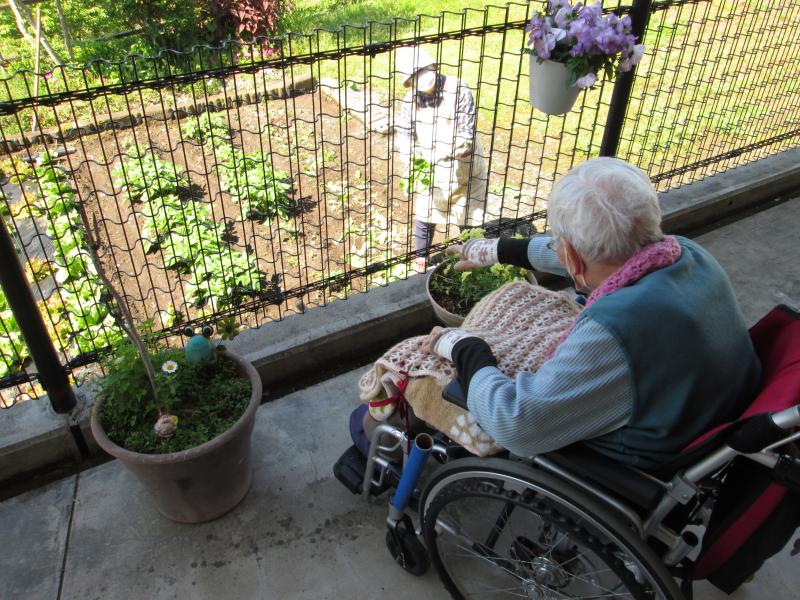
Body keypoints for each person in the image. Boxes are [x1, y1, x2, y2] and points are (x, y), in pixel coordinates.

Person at [421, 156, 762, 469]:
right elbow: (603, 252)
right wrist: (495, 250)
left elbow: (517, 424)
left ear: (571, 254)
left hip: (647, 457)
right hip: (714, 417)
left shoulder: (613, 331)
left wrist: (464, 346)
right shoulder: (686, 253)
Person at [394, 46, 488, 272]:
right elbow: (404, 134)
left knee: (468, 216)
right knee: (425, 214)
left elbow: (466, 135)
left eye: (425, 72)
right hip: (431, 170)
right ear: (409, 83)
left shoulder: (459, 90)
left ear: (434, 67)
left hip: (463, 166)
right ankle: (421, 258)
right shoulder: (410, 102)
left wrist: (444, 152)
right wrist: (409, 158)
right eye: (415, 77)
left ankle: (471, 256)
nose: (422, 80)